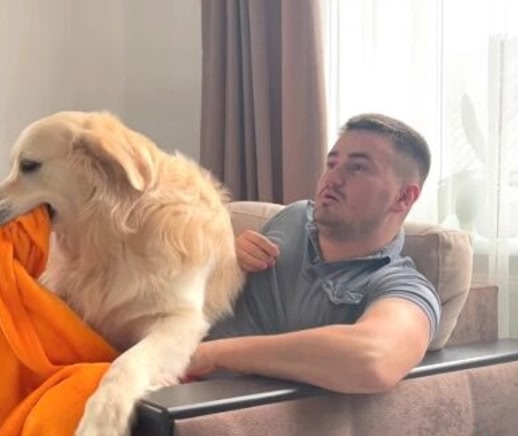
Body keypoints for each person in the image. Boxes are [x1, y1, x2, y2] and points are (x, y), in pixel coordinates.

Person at [187, 113, 440, 394]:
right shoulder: (293, 217)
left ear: (404, 197)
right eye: (331, 164)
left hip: (200, 404)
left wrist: (209, 355)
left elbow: (373, 358)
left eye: (357, 168)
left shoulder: (403, 286)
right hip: (160, 366)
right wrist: (224, 260)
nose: (332, 179)